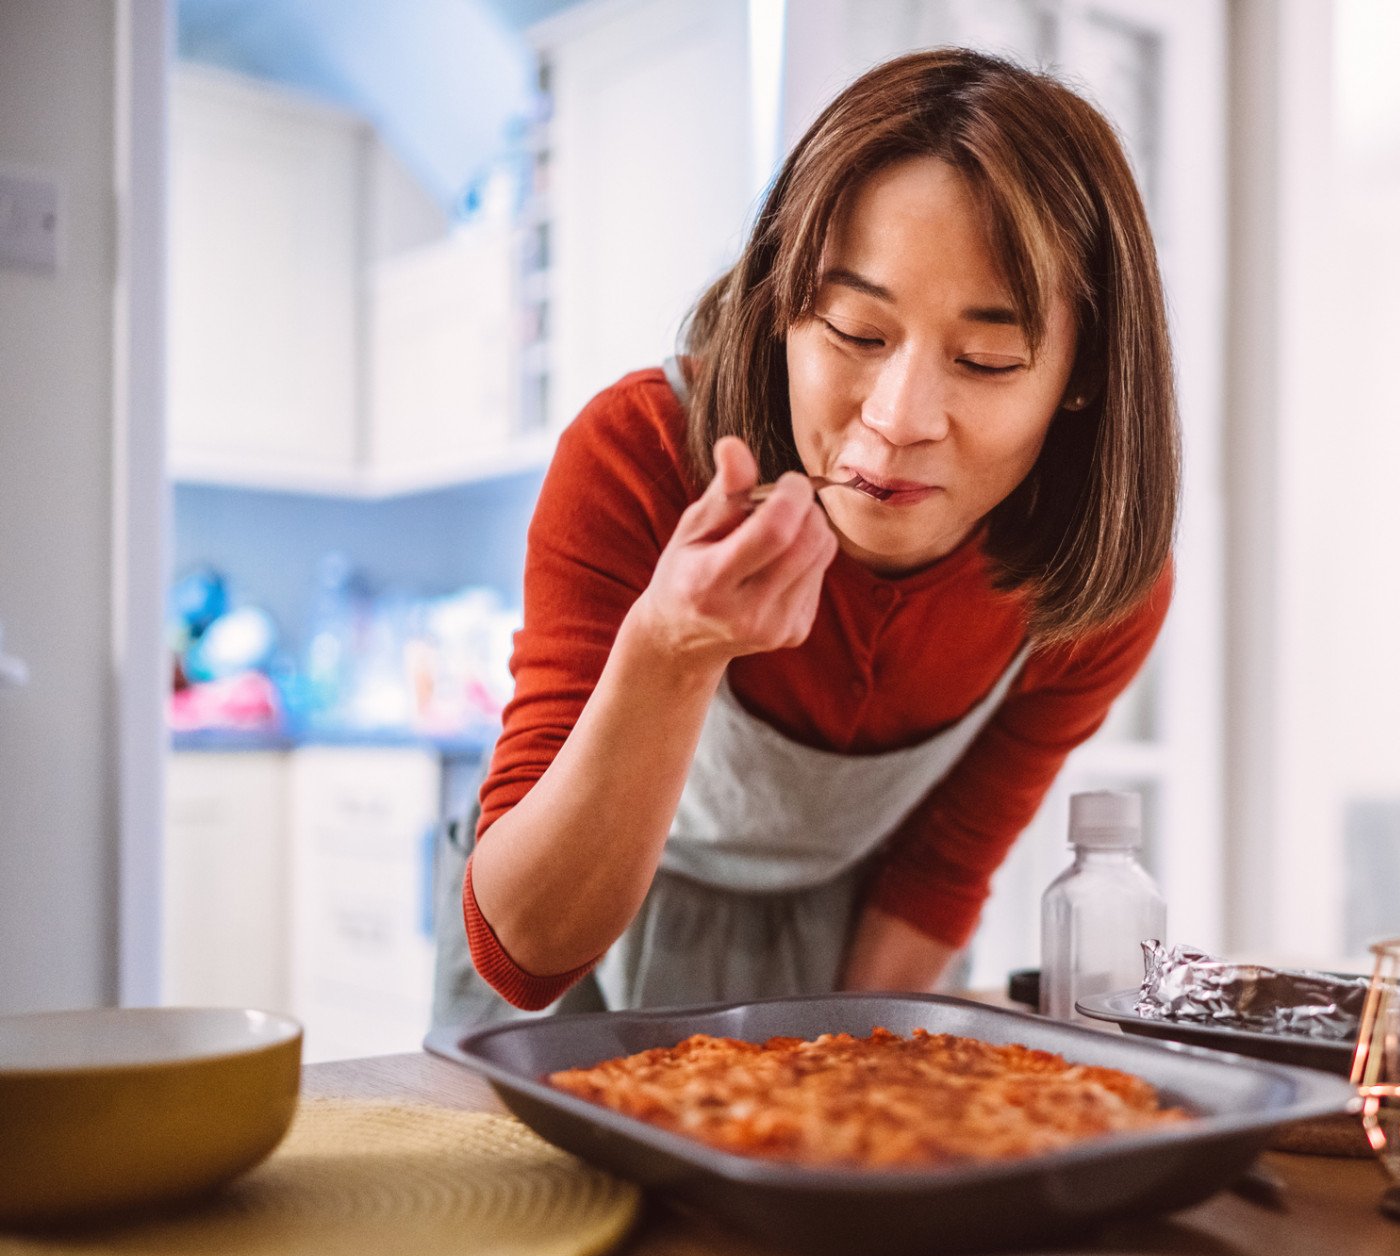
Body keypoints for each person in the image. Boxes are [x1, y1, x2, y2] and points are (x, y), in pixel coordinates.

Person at [432, 48, 1178, 1025]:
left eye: (987, 359)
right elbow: (523, 954)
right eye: (854, 333)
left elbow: (937, 872)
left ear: (1080, 378)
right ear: (781, 304)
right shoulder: (640, 456)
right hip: (577, 951)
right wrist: (670, 649)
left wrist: (830, 1074)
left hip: (850, 952)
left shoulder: (1082, 590)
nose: (900, 415)